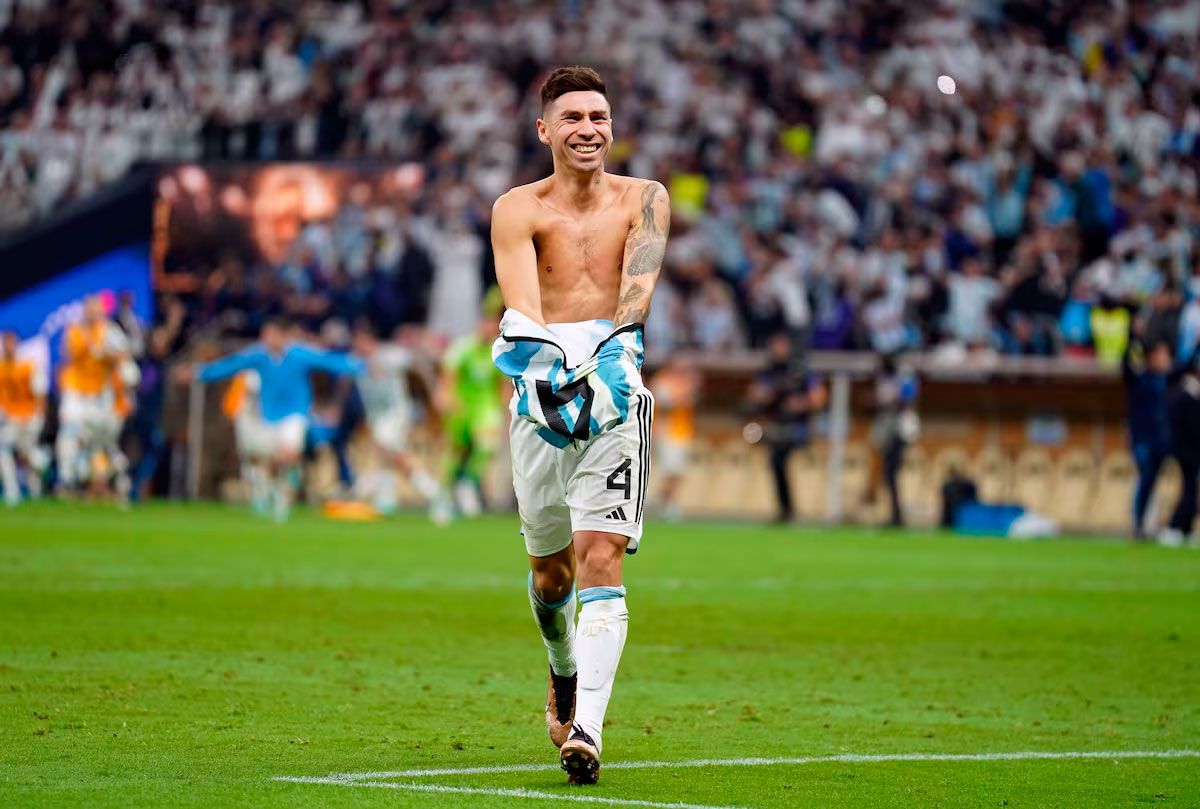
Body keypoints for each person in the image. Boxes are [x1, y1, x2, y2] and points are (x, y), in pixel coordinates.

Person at [489, 66, 669, 784]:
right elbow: (522, 308)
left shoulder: (646, 198)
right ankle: (562, 668)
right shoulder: (517, 208)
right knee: (550, 571)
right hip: (541, 395)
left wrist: (615, 358)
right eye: (572, 118)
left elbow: (637, 290)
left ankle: (587, 727)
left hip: (616, 394)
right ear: (545, 131)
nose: (588, 129)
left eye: (598, 116)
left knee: (602, 556)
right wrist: (551, 370)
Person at [193, 317, 364, 521]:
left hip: (295, 416)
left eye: (271, 334)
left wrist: (359, 365)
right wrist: (200, 373)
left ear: (282, 336)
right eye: (265, 335)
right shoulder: (260, 356)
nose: (267, 339)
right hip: (269, 418)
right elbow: (232, 365)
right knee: (267, 461)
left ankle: (284, 489)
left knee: (289, 451)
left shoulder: (298, 354)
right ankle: (276, 490)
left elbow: (327, 361)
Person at [351, 322, 446, 519]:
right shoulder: (356, 363)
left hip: (396, 413)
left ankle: (433, 493)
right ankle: (390, 498)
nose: (359, 345)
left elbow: (415, 359)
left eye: (362, 341)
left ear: (371, 340)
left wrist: (432, 391)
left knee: (389, 450)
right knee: (388, 456)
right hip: (377, 417)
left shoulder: (390, 355)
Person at [56, 295, 138, 500]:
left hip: (101, 397)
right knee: (68, 434)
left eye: (96, 310)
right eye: (89, 309)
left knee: (102, 444)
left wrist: (108, 355)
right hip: (76, 393)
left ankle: (118, 480)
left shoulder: (109, 331)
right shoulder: (74, 331)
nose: (92, 314)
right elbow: (67, 356)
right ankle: (66, 480)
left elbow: (125, 358)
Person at [438, 291, 506, 518]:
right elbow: (449, 375)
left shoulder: (496, 351)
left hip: (485, 408)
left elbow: (500, 383)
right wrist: (448, 398)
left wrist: (505, 407)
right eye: (489, 323)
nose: (491, 329)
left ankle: (468, 484)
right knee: (457, 452)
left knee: (486, 445)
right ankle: (446, 493)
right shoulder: (463, 347)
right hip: (462, 407)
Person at [746, 332, 827, 523]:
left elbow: (819, 397)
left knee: (781, 457)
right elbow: (754, 394)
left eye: (780, 345)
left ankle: (792, 508)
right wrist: (765, 395)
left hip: (798, 428)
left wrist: (802, 403)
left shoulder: (801, 370)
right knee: (772, 457)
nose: (777, 349)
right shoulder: (769, 371)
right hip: (775, 426)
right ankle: (785, 508)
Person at [865, 353, 919, 527]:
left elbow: (907, 401)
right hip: (888, 429)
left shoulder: (904, 377)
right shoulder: (883, 379)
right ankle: (894, 513)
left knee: (893, 471)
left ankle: (897, 514)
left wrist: (888, 400)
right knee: (888, 473)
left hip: (899, 430)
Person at [0, 331, 48, 505]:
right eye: (5, 343)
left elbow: (40, 393)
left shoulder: (28, 366)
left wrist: (37, 417)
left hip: (29, 418)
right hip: (10, 420)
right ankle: (12, 491)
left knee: (28, 455)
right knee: (4, 450)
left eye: (11, 342)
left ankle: (36, 489)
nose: (8, 347)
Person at [650, 356, 700, 521]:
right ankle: (668, 503)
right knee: (669, 470)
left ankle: (662, 500)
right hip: (666, 432)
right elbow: (665, 404)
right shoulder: (662, 381)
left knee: (678, 471)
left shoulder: (685, 382)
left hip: (683, 432)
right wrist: (686, 393)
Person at [1160, 362, 1200, 547]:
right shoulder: (1185, 396)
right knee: (1189, 491)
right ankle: (1176, 527)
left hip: (1187, 451)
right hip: (1188, 452)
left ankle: (1185, 528)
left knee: (1190, 490)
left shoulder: (1183, 394)